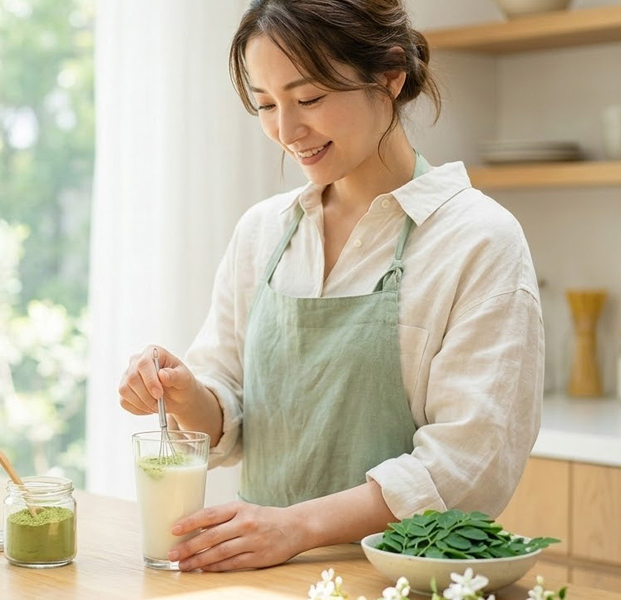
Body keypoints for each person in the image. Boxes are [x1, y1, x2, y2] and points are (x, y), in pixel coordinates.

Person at [117, 0, 544, 573]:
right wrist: (185, 390)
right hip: (259, 571)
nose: (287, 131)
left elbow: (468, 464)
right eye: (266, 105)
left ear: (390, 76)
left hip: (396, 576)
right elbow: (230, 407)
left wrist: (295, 527)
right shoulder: (263, 232)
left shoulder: (477, 241)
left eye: (310, 98)